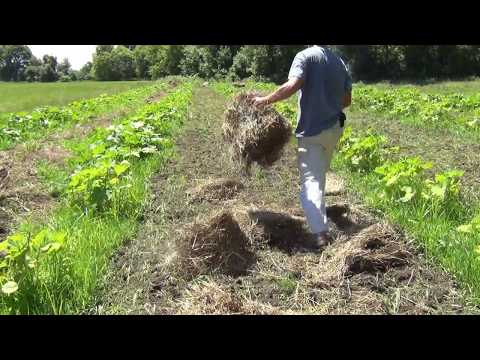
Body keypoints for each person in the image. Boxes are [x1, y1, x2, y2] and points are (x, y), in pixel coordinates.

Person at [250, 45, 352, 251]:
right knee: (320, 172)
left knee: (310, 181)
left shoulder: (305, 56)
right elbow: (347, 100)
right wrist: (327, 105)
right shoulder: (339, 62)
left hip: (311, 132)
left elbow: (293, 85)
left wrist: (265, 100)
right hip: (334, 128)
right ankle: (321, 212)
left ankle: (320, 232)